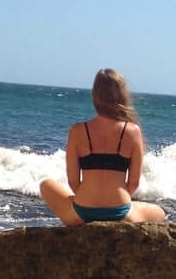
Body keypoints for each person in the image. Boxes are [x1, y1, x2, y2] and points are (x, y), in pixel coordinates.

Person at [39, 69, 166, 225]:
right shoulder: (133, 131)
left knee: (45, 185)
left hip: (83, 212)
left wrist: (90, 199)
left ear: (95, 96)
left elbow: (73, 181)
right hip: (121, 213)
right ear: (122, 95)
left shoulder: (78, 130)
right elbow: (133, 184)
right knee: (159, 212)